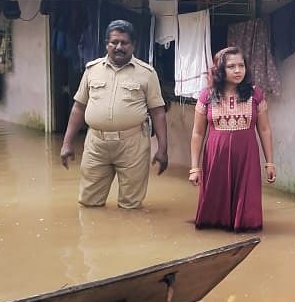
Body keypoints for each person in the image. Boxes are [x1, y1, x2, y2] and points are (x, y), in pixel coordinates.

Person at [60, 20, 169, 209]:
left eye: (124, 43)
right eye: (114, 42)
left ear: (133, 45)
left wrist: (163, 149)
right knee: (88, 203)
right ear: (106, 44)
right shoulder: (91, 70)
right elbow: (79, 107)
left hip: (133, 144)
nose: (119, 47)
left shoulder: (147, 73)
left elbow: (158, 112)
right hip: (96, 144)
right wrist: (67, 143)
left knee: (131, 206)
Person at [189, 47, 276, 232]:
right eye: (231, 66)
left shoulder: (255, 94)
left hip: (246, 157)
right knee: (214, 208)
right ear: (220, 70)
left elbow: (264, 129)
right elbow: (197, 133)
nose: (238, 70)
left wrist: (270, 163)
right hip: (216, 157)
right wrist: (195, 168)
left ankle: (244, 229)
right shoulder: (207, 96)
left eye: (241, 65)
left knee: (248, 209)